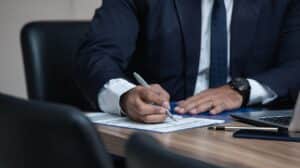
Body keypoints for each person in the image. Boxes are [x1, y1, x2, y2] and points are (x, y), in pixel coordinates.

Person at [75, 0, 300, 124]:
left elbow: (295, 65)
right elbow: (96, 55)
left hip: (248, 136)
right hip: (164, 138)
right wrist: (125, 96)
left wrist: (243, 89)